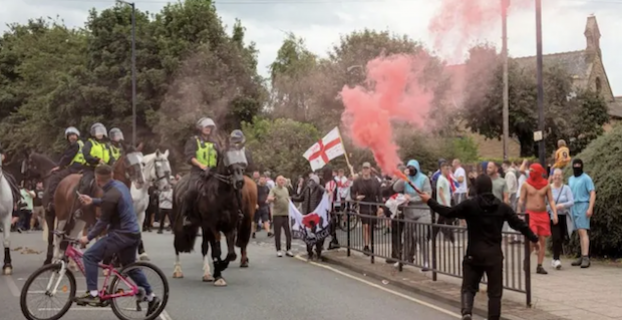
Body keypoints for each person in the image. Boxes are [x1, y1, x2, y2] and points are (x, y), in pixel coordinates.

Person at [419, 174, 539, 320]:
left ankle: (467, 311)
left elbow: (448, 212)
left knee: (468, 287)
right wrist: (534, 238)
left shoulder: (470, 205)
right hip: (494, 255)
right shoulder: (502, 207)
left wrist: (429, 201)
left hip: (474, 253)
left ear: (477, 188)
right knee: (495, 294)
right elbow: (520, 224)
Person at [75, 165, 161, 313]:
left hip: (121, 235)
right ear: (112, 174)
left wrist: (87, 238)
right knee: (130, 266)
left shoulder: (110, 195)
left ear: (97, 179)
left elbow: (103, 222)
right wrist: (93, 201)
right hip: (134, 234)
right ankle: (151, 296)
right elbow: (109, 202)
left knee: (89, 256)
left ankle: (93, 294)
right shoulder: (120, 186)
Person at [518, 163, 558, 275]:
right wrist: (518, 210)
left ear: (539, 172)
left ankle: (539, 265)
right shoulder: (526, 184)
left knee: (542, 240)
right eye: (530, 171)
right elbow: (521, 199)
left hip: (543, 215)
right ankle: (527, 259)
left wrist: (555, 214)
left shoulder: (546, 185)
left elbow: (551, 201)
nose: (531, 173)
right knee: (533, 238)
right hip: (530, 215)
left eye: (533, 171)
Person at [182, 117, 219, 226]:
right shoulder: (194, 140)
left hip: (213, 173)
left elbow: (220, 157)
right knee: (192, 190)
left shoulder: (215, 143)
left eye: (210, 127)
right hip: (198, 172)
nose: (208, 129)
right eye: (206, 127)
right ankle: (187, 215)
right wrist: (201, 166)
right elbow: (190, 156)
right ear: (200, 128)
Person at [45, 126, 85, 211]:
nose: (71, 137)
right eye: (69, 136)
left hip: (74, 168)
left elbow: (67, 157)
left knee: (55, 177)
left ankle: (52, 201)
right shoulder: (83, 144)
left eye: (73, 135)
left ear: (77, 135)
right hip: (83, 168)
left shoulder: (75, 145)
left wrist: (59, 166)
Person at [568, 158, 595, 268]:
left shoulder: (586, 179)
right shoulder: (570, 179)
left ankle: (586, 257)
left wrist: (590, 208)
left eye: (579, 164)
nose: (577, 166)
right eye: (575, 164)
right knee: (579, 232)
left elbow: (592, 193)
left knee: (583, 231)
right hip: (573, 206)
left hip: (583, 204)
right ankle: (582, 254)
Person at [548, 168, 574, 270]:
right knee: (556, 237)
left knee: (561, 237)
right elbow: (546, 204)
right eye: (555, 175)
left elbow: (571, 201)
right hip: (552, 216)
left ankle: (554, 259)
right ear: (552, 176)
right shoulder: (549, 188)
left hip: (563, 216)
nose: (557, 177)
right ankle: (556, 258)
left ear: (562, 176)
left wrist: (562, 205)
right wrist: (553, 208)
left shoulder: (566, 188)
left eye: (559, 175)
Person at [79, 123, 110, 195]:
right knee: (86, 185)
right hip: (91, 169)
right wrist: (97, 160)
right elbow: (86, 155)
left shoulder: (105, 145)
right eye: (98, 132)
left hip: (104, 169)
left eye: (101, 132)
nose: (100, 134)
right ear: (93, 133)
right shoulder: (89, 143)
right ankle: (81, 200)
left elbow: (110, 157)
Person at [267, 176, 294, 258]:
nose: (282, 181)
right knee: (277, 233)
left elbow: (288, 198)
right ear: (276, 181)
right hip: (277, 214)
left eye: (282, 180)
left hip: (285, 214)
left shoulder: (286, 189)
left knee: (288, 233)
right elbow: (269, 198)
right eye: (280, 180)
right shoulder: (274, 189)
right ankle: (278, 250)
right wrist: (272, 198)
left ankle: (288, 250)